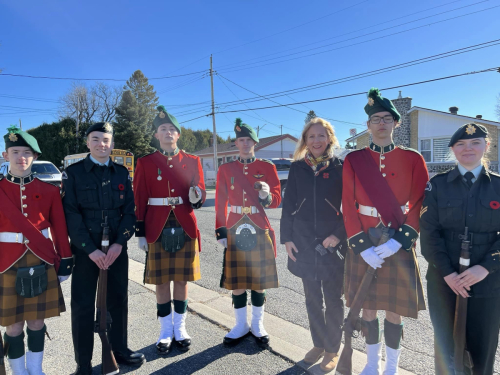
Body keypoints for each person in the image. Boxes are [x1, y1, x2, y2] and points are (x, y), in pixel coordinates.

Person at [342, 88, 428, 374]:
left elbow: (418, 204)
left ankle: (391, 366)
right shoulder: (354, 160)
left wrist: (402, 240)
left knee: (394, 308)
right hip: (366, 240)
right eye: (375, 118)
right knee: (367, 307)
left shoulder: (413, 158)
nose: (381, 123)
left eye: (387, 118)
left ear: (396, 123)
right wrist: (360, 246)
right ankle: (371, 364)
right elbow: (347, 204)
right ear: (368, 125)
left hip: (397, 240)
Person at [62, 122, 144, 375]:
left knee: (118, 300)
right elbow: (71, 215)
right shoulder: (74, 173)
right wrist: (90, 249)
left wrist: (120, 244)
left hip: (116, 249)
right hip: (86, 250)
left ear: (112, 144)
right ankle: (83, 363)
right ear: (88, 143)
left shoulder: (121, 173)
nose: (101, 144)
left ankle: (119, 350)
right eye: (95, 139)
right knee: (83, 305)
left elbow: (130, 212)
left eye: (106, 140)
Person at [420, 123, 500, 375]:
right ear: (453, 150)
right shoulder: (437, 186)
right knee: (447, 350)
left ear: (486, 147)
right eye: (461, 144)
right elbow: (429, 235)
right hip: (444, 281)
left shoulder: (498, 186)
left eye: (475, 143)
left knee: (482, 350)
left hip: (488, 282)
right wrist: (448, 274)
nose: (468, 149)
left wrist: (486, 267)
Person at [0, 126, 73, 375]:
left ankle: (35, 369)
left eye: (27, 152)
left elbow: (61, 230)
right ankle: (19, 372)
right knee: (13, 326)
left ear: (34, 156)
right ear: (5, 155)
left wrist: (65, 260)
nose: (21, 157)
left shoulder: (50, 191)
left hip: (40, 258)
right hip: (5, 262)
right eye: (15, 151)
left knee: (37, 321)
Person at [134, 106, 206, 355]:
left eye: (172, 129)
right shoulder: (145, 162)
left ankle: (180, 327)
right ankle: (165, 331)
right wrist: (140, 232)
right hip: (157, 226)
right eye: (163, 129)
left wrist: (198, 195)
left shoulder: (193, 161)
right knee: (161, 281)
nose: (168, 132)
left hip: (184, 223)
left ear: (178, 135)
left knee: (182, 279)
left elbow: (200, 194)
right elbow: (139, 198)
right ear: (156, 135)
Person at [280, 118, 346, 372]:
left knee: (333, 299)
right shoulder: (297, 168)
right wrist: (287, 238)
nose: (316, 141)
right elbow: (289, 206)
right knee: (311, 299)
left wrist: (339, 235)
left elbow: (350, 207)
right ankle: (318, 344)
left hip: (332, 245)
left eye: (321, 136)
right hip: (303, 243)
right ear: (305, 141)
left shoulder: (341, 167)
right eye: (311, 137)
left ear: (329, 138)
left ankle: (332, 349)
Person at [215, 118, 281, 347]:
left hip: (258, 225)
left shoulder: (267, 167)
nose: (245, 143)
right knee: (237, 281)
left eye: (248, 140)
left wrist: (266, 195)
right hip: (234, 225)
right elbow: (220, 201)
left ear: (255, 142)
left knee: (258, 279)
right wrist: (221, 230)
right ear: (236, 142)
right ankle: (241, 325)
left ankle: (258, 324)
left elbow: (276, 201)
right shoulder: (226, 169)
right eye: (241, 140)